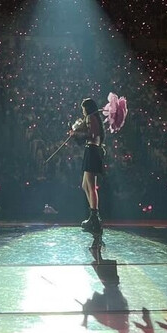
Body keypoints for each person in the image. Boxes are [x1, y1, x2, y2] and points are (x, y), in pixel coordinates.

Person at [69, 97, 105, 235]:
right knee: (85, 185)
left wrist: (77, 133)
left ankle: (95, 217)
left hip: (92, 151)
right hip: (91, 150)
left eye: (83, 109)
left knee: (91, 186)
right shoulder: (91, 118)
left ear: (87, 108)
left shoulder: (90, 117)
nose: (82, 112)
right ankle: (93, 215)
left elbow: (92, 134)